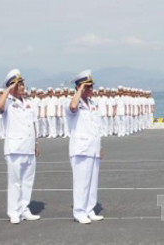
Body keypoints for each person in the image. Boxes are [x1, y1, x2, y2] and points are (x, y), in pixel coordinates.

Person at [0, 69, 40, 224]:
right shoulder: (7, 103)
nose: (22, 87)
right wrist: (7, 89)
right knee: (15, 182)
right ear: (11, 87)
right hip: (14, 148)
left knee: (27, 180)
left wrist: (36, 143)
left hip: (28, 147)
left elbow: (33, 124)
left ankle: (24, 208)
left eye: (22, 84)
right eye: (18, 84)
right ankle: (14, 211)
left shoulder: (28, 103)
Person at [66, 70, 103, 224]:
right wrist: (80, 90)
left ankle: (89, 209)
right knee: (81, 182)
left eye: (91, 87)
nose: (91, 89)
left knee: (92, 182)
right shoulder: (73, 103)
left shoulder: (93, 104)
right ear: (80, 87)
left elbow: (96, 127)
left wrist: (99, 146)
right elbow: (73, 107)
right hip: (80, 149)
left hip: (93, 148)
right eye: (88, 87)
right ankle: (79, 211)